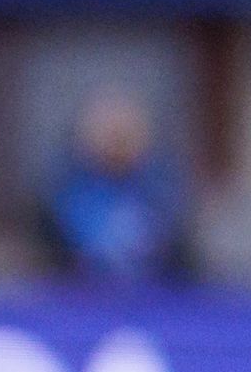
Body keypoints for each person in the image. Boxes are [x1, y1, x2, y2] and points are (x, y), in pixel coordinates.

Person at [33, 84, 195, 285]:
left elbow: (185, 265)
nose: (117, 140)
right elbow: (42, 266)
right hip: (77, 298)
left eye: (125, 132)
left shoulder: (167, 194)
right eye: (108, 131)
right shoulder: (56, 198)